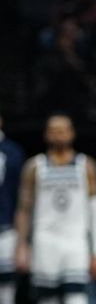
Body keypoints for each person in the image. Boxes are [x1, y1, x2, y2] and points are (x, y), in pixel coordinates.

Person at [14, 114, 96, 304]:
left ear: (72, 133)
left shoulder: (86, 165)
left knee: (77, 299)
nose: (59, 135)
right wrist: (22, 245)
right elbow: (24, 209)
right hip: (45, 240)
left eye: (63, 130)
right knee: (47, 299)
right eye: (54, 131)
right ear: (46, 135)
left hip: (75, 241)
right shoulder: (34, 166)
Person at [0, 116, 24, 304]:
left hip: (5, 228)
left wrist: (21, 239)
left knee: (6, 284)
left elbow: (21, 196)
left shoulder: (13, 152)